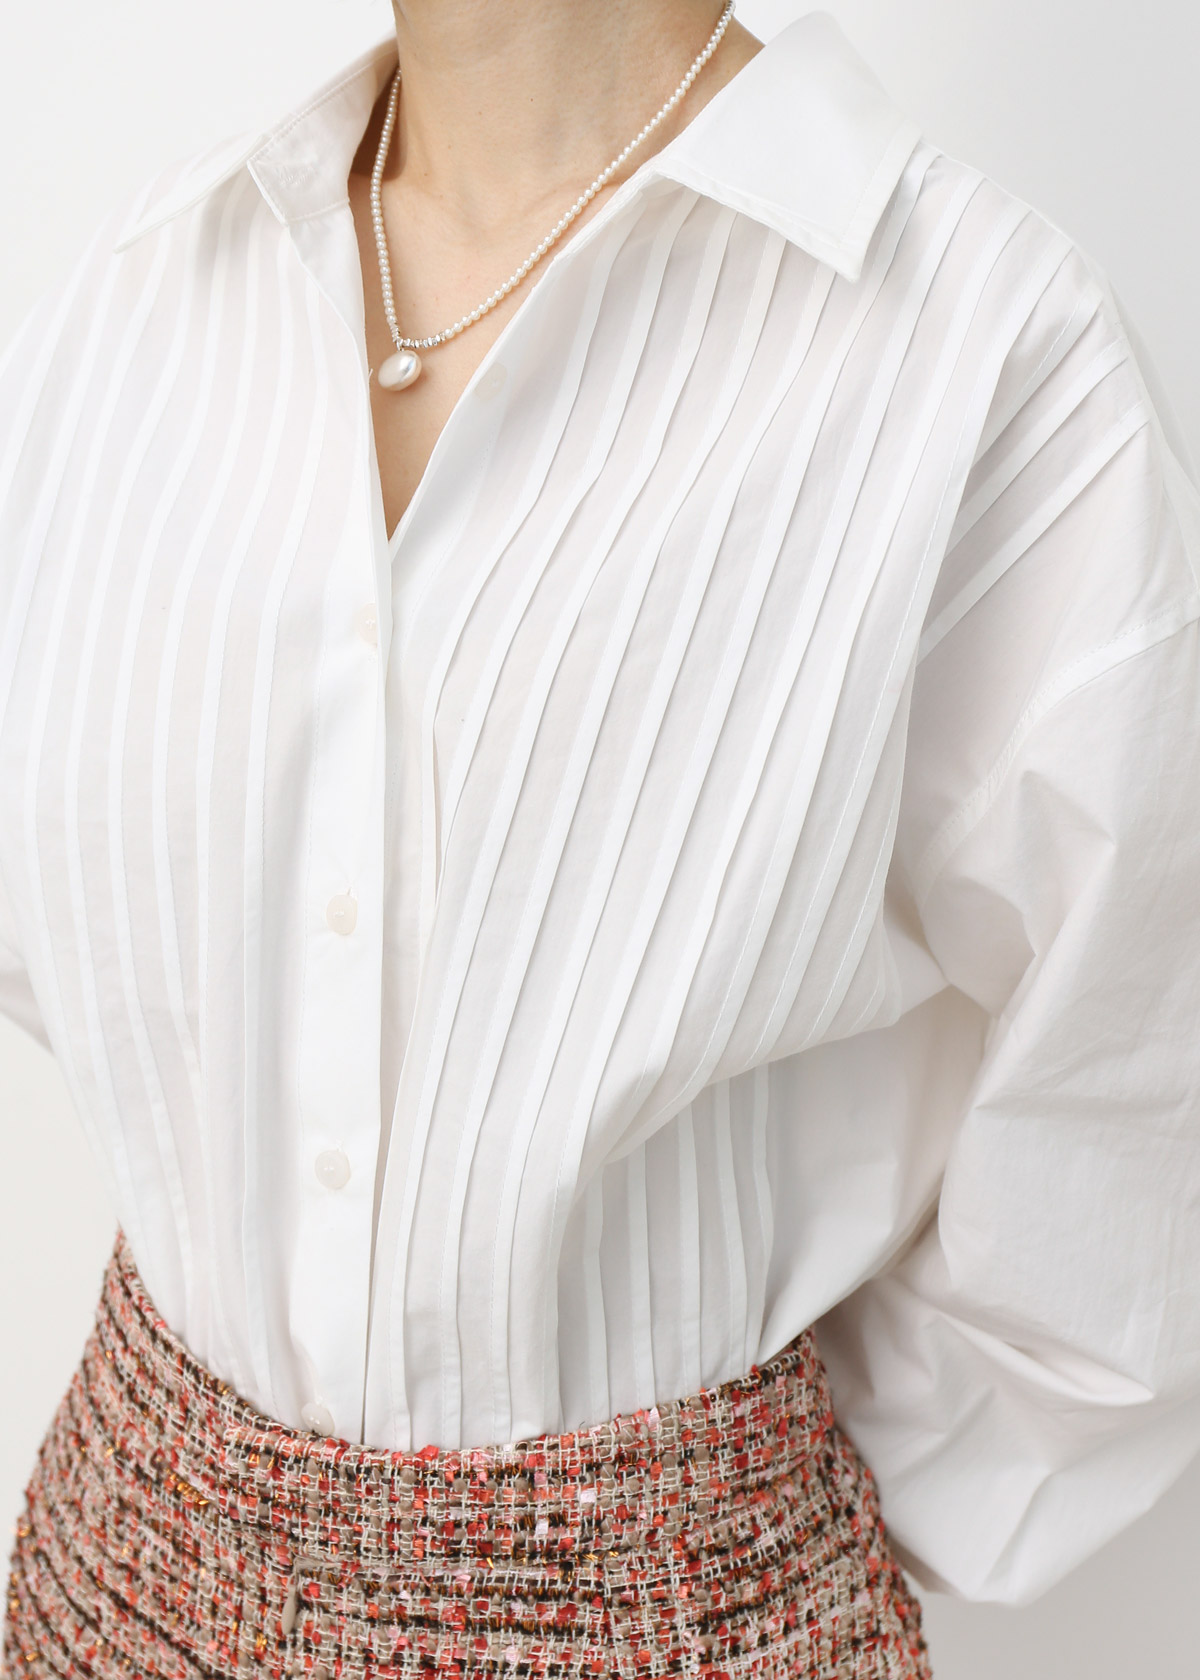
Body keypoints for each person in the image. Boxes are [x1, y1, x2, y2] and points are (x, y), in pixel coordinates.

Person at [2, 2, 1198, 1676]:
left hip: (686, 1619)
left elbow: (1132, 1128)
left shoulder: (989, 354)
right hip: (112, 1597)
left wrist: (713, 1531)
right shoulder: (135, 305)